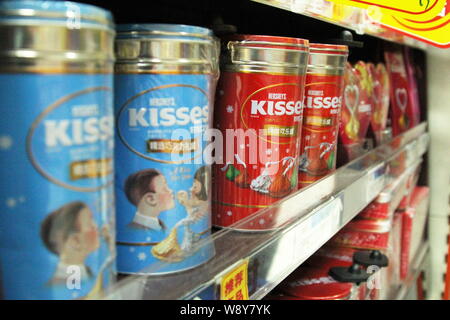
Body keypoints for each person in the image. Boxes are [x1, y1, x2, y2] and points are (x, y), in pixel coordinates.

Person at [152, 166, 210, 261]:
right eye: (193, 182)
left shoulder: (202, 201)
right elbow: (189, 207)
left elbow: (196, 212)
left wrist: (186, 201)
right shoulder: (194, 195)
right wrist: (184, 199)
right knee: (183, 231)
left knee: (183, 230)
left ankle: (184, 249)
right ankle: (181, 248)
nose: (193, 186)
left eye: (196, 183)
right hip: (191, 223)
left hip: (195, 224)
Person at [41, 201, 100, 285]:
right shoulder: (66, 283)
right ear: (74, 241)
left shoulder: (88, 272)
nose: (96, 227)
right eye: (90, 223)